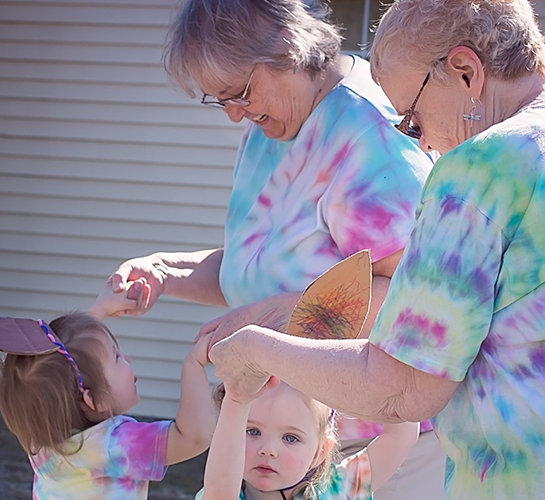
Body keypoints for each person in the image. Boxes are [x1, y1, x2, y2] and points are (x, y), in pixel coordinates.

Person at [207, 0, 545, 499]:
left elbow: (400, 389)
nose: (422, 144)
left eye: (412, 119)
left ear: (464, 72)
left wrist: (255, 347)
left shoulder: (484, 166)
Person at [107, 1, 443, 497]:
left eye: (239, 93)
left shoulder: (369, 137)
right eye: (218, 99)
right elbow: (261, 270)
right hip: (284, 447)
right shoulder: (276, 121)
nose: (233, 115)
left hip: (372, 449)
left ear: (288, 49)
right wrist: (165, 272)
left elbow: (426, 297)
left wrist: (284, 314)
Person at [0, 279, 217, 499]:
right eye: (117, 357)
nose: (128, 357)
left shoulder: (42, 440)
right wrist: (194, 364)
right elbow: (193, 438)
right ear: (93, 400)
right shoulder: (114, 446)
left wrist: (101, 309)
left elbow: (71, 359)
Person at [197, 380, 419, 500]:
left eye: (290, 438)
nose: (268, 450)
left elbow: (401, 435)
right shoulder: (222, 492)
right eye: (253, 431)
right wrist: (236, 402)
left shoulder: (341, 488)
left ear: (321, 452)